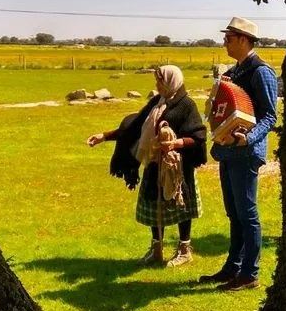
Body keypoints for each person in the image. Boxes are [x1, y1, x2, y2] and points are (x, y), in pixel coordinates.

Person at [87, 65, 207, 266]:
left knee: (180, 206)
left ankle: (184, 249)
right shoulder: (157, 102)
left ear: (170, 81)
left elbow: (199, 136)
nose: (156, 84)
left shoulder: (187, 105)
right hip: (154, 164)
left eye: (160, 80)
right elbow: (134, 127)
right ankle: (156, 249)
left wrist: (176, 143)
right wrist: (104, 136)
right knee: (154, 205)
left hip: (176, 168)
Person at [199, 17, 278, 291]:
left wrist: (249, 139)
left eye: (229, 38)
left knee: (247, 214)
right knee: (233, 213)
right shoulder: (234, 72)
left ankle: (249, 274)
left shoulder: (261, 71)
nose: (225, 42)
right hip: (228, 152)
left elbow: (270, 116)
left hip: (246, 153)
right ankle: (232, 268)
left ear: (244, 40)